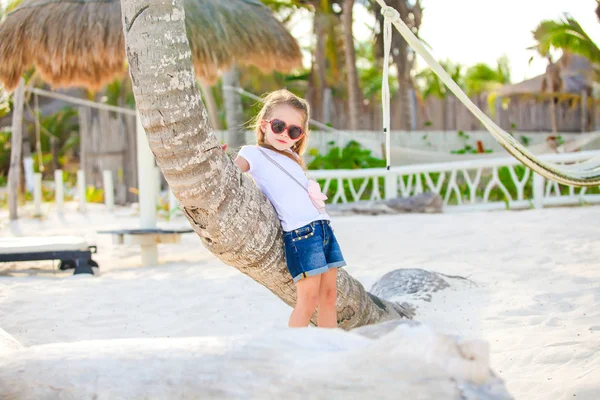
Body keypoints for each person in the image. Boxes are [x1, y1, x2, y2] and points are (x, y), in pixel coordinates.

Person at [230, 89, 346, 328]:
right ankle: (294, 350)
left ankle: (330, 349)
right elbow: (229, 175)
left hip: (323, 228)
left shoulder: (293, 157)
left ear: (300, 136)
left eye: (294, 131)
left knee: (329, 297)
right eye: (278, 126)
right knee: (308, 299)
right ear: (264, 125)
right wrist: (218, 161)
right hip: (301, 233)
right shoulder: (253, 153)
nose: (285, 134)